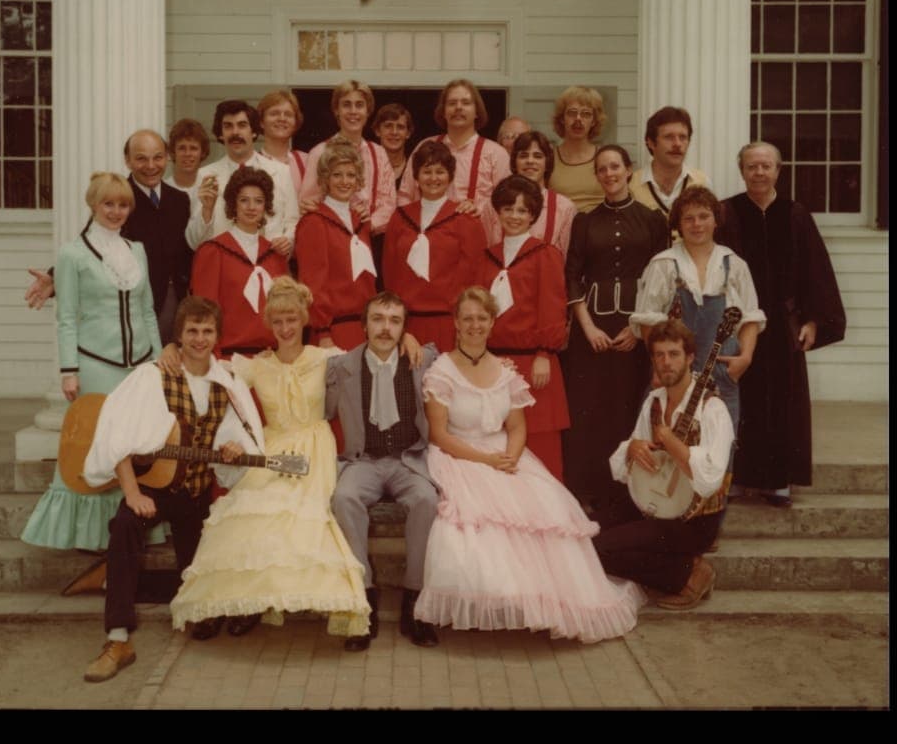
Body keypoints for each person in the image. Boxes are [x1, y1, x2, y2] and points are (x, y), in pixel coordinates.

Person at [414, 286, 645, 643]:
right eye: (467, 319)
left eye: (481, 318)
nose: (475, 325)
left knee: (546, 504)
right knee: (478, 519)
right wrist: (486, 460)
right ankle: (492, 602)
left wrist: (511, 455)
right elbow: (440, 435)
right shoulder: (441, 371)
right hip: (459, 455)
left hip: (505, 453)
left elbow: (518, 426)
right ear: (456, 324)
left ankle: (549, 603)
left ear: (492, 323)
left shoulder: (505, 372)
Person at [170, 278, 371, 642]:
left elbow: (374, 357)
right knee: (248, 515)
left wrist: (408, 338)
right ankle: (245, 603)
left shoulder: (327, 358)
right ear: (269, 323)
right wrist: (172, 349)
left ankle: (309, 601)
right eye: (277, 321)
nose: (285, 328)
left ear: (304, 318)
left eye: (292, 319)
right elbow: (208, 365)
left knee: (300, 517)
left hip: (313, 444)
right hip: (272, 447)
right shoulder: (256, 365)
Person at [81, 296, 265, 681]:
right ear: (178, 336)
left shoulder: (228, 382)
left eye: (207, 331)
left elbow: (239, 436)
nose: (199, 339)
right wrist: (132, 494)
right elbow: (117, 435)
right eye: (191, 331)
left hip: (196, 497)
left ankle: (183, 600)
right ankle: (118, 638)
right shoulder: (152, 375)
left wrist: (234, 449)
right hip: (154, 489)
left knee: (197, 580)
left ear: (218, 335)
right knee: (125, 526)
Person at [21, 172, 165, 554]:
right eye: (108, 204)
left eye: (122, 205)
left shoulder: (136, 250)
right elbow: (66, 317)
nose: (116, 211)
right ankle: (90, 539)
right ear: (93, 205)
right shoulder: (72, 254)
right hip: (95, 362)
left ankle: (128, 534)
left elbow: (147, 310)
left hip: (138, 366)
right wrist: (69, 370)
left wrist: (155, 360)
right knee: (96, 444)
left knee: (133, 444)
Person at [717, 142, 846, 506]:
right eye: (752, 166)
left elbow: (815, 272)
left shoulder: (795, 214)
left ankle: (778, 481)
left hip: (784, 325)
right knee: (742, 401)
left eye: (766, 166)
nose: (759, 172)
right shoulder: (727, 212)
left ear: (778, 170)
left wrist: (813, 320)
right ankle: (741, 478)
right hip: (739, 321)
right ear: (741, 170)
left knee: (782, 402)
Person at [592, 319, 734, 610]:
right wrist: (633, 448)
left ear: (690, 357)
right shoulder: (654, 402)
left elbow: (710, 481)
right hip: (656, 503)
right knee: (589, 532)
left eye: (673, 354)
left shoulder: (713, 409)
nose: (666, 362)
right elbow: (621, 468)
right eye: (659, 355)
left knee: (600, 550)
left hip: (694, 519)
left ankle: (689, 575)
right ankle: (672, 563)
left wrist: (672, 443)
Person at [326, 291, 441, 651]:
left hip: (408, 458)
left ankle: (414, 601)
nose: (385, 328)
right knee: (343, 498)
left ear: (405, 328)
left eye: (394, 321)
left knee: (426, 500)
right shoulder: (340, 366)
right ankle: (365, 599)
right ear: (363, 325)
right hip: (364, 460)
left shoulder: (425, 360)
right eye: (377, 319)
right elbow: (320, 409)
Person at [563, 145, 668, 508]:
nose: (609, 174)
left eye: (615, 167)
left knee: (627, 409)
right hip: (592, 331)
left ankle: (626, 494)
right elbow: (572, 277)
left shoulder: (653, 221)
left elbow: (660, 278)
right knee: (589, 410)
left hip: (635, 330)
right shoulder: (585, 221)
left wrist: (638, 329)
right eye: (602, 169)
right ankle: (588, 492)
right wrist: (588, 328)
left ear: (629, 171)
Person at [23, 130, 195, 345]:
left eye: (158, 157)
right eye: (141, 158)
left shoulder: (179, 199)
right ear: (128, 160)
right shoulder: (119, 196)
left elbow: (188, 251)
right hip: (132, 305)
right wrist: (54, 277)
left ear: (167, 157)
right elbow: (91, 244)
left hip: (177, 305)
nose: (151, 166)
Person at [632, 185, 765, 431]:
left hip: (721, 375)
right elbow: (648, 323)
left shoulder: (734, 264)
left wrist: (744, 358)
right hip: (673, 375)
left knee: (719, 452)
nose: (697, 224)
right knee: (668, 446)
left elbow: (750, 318)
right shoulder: (663, 264)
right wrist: (659, 368)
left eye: (704, 216)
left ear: (716, 220)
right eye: (689, 218)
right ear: (678, 225)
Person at [476, 175, 569, 480]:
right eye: (508, 209)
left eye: (522, 211)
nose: (514, 217)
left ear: (533, 215)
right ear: (497, 212)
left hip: (533, 362)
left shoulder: (545, 254)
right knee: (499, 440)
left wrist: (544, 352)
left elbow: (552, 307)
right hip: (494, 362)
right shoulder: (487, 258)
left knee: (539, 441)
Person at [381, 139, 486, 353]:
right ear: (416, 177)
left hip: (449, 324)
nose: (433, 178)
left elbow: (474, 278)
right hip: (406, 325)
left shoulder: (465, 219)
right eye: (427, 171)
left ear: (450, 177)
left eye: (440, 171)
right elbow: (389, 273)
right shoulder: (400, 218)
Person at [189, 167, 290, 357]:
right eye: (244, 200)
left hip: (272, 360)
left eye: (258, 201)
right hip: (229, 359)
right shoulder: (213, 252)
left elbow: (285, 315)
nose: (251, 207)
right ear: (233, 205)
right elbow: (204, 316)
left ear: (266, 206)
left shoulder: (275, 255)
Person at [399, 79, 511, 245]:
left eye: (466, 102)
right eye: (452, 103)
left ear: (477, 111)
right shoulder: (425, 147)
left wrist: (479, 209)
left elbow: (507, 206)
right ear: (443, 111)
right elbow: (405, 195)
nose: (458, 107)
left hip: (476, 247)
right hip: (427, 245)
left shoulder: (496, 154)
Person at [294, 136, 378, 350]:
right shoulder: (314, 222)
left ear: (358, 180)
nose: (344, 181)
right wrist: (323, 331)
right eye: (337, 175)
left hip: (366, 329)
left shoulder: (360, 221)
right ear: (324, 180)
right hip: (333, 332)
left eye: (351, 175)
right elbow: (313, 283)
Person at [196, 99, 298, 257]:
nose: (235, 132)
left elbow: (293, 221)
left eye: (242, 125)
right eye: (228, 126)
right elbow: (196, 241)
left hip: (270, 262)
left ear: (254, 131)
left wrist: (287, 240)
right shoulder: (205, 176)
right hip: (226, 266)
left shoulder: (281, 172)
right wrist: (206, 211)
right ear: (220, 134)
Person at [299, 81, 398, 237]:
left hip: (372, 237)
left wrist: (369, 223)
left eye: (359, 105)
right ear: (336, 110)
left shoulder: (379, 153)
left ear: (368, 111)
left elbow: (389, 201)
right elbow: (309, 203)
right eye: (346, 105)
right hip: (332, 237)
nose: (353, 111)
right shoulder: (320, 152)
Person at [628, 106, 711, 223]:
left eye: (683, 137)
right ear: (651, 142)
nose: (677, 144)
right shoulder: (631, 186)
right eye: (669, 137)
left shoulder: (702, 183)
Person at [510, 130, 576, 258]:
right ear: (514, 162)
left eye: (537, 156)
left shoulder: (564, 208)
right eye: (523, 155)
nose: (530, 161)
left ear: (547, 164)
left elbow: (567, 261)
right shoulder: (495, 206)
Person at [547, 86, 606, 213]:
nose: (578, 119)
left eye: (586, 114)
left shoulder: (605, 158)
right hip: (562, 227)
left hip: (600, 227)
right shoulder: (548, 158)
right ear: (562, 118)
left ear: (594, 121)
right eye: (572, 113)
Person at [164, 117, 212, 249]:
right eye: (182, 148)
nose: (188, 154)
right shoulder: (163, 190)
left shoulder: (210, 190)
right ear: (173, 152)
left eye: (193, 148)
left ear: (203, 152)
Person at [255, 89, 308, 198]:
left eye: (288, 114)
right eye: (274, 113)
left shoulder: (307, 162)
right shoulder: (251, 165)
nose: (282, 119)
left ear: (295, 123)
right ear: (261, 122)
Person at [373, 102, 414, 190]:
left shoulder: (415, 169)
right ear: (377, 131)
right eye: (388, 126)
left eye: (400, 127)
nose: (394, 132)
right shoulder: (368, 168)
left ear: (408, 133)